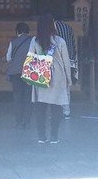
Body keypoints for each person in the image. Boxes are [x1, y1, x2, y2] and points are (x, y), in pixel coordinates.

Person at [30, 13, 72, 143]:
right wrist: (69, 79)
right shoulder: (60, 41)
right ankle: (54, 136)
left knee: (40, 106)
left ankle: (42, 136)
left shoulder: (35, 41)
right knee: (56, 105)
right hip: (58, 76)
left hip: (41, 75)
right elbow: (66, 62)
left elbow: (30, 58)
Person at [4, 21, 34, 128]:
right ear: (28, 32)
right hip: (29, 72)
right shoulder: (33, 41)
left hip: (15, 73)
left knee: (17, 96)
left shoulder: (13, 42)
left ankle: (18, 120)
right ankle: (26, 120)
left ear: (17, 31)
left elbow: (8, 58)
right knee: (28, 96)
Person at [53, 13, 77, 118]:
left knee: (55, 86)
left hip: (57, 60)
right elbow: (73, 43)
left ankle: (56, 110)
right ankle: (66, 111)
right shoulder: (69, 27)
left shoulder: (53, 28)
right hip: (69, 60)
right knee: (66, 87)